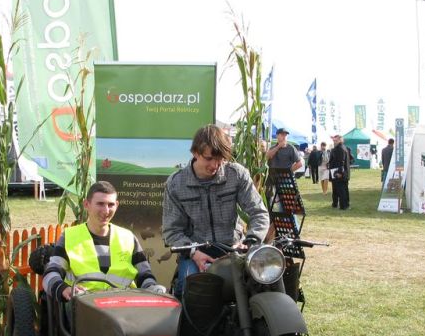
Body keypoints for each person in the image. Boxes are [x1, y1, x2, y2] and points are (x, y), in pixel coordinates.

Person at [162, 124, 269, 296]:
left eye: (221, 159)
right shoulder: (176, 184)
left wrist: (250, 242)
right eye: (209, 158)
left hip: (234, 249)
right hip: (195, 251)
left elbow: (259, 213)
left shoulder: (236, 174)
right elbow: (171, 231)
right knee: (188, 289)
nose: (215, 165)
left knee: (262, 285)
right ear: (195, 153)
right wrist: (193, 253)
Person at [43, 181, 164, 302]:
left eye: (110, 205)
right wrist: (64, 289)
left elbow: (145, 275)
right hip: (83, 309)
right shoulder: (69, 237)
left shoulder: (128, 237)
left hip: (124, 309)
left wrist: (152, 287)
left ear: (117, 205)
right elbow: (50, 275)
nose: (106, 211)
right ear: (86, 204)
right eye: (100, 204)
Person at [329, 134, 351, 210]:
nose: (334, 141)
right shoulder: (343, 148)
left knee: (341, 190)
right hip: (341, 172)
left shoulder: (340, 148)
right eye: (334, 140)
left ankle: (343, 206)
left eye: (336, 140)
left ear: (340, 140)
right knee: (341, 189)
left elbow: (341, 162)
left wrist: (340, 173)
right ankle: (342, 204)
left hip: (339, 172)